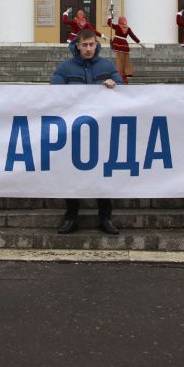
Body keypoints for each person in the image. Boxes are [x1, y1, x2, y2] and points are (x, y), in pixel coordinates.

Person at [50, 28, 122, 235]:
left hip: (101, 131)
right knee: (70, 174)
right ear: (77, 46)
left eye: (92, 45)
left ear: (96, 45)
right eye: (85, 45)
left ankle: (105, 217)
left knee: (103, 175)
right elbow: (52, 93)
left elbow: (125, 87)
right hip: (73, 131)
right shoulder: (65, 68)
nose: (89, 49)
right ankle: (71, 216)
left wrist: (115, 84)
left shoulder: (107, 66)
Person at [107, 15, 142, 84]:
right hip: (125, 45)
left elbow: (109, 24)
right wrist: (139, 42)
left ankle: (122, 76)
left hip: (118, 44)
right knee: (125, 61)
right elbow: (133, 36)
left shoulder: (117, 26)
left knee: (119, 61)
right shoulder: (128, 28)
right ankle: (125, 76)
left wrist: (109, 17)